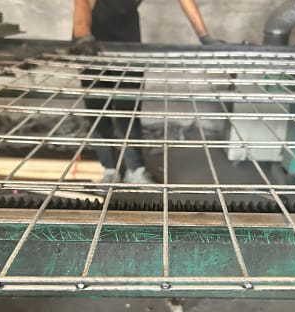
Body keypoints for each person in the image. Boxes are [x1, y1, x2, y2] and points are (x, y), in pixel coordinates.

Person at [70, 0, 223, 183]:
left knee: (129, 105)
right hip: (91, 35)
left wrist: (204, 36)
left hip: (127, 33)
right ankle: (109, 170)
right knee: (98, 108)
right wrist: (83, 35)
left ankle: (135, 170)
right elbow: (83, 2)